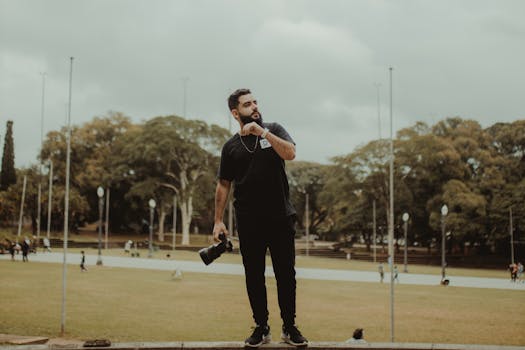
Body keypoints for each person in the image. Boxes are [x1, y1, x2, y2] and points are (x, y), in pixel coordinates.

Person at [213, 89, 307, 348]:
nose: (254, 107)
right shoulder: (230, 147)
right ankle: (261, 327)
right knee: (254, 276)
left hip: (280, 217)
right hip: (249, 221)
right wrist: (218, 220)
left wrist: (263, 133)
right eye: (247, 104)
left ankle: (289, 327)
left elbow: (290, 153)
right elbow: (223, 184)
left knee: (286, 275)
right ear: (235, 113)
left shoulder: (274, 129)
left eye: (255, 102)